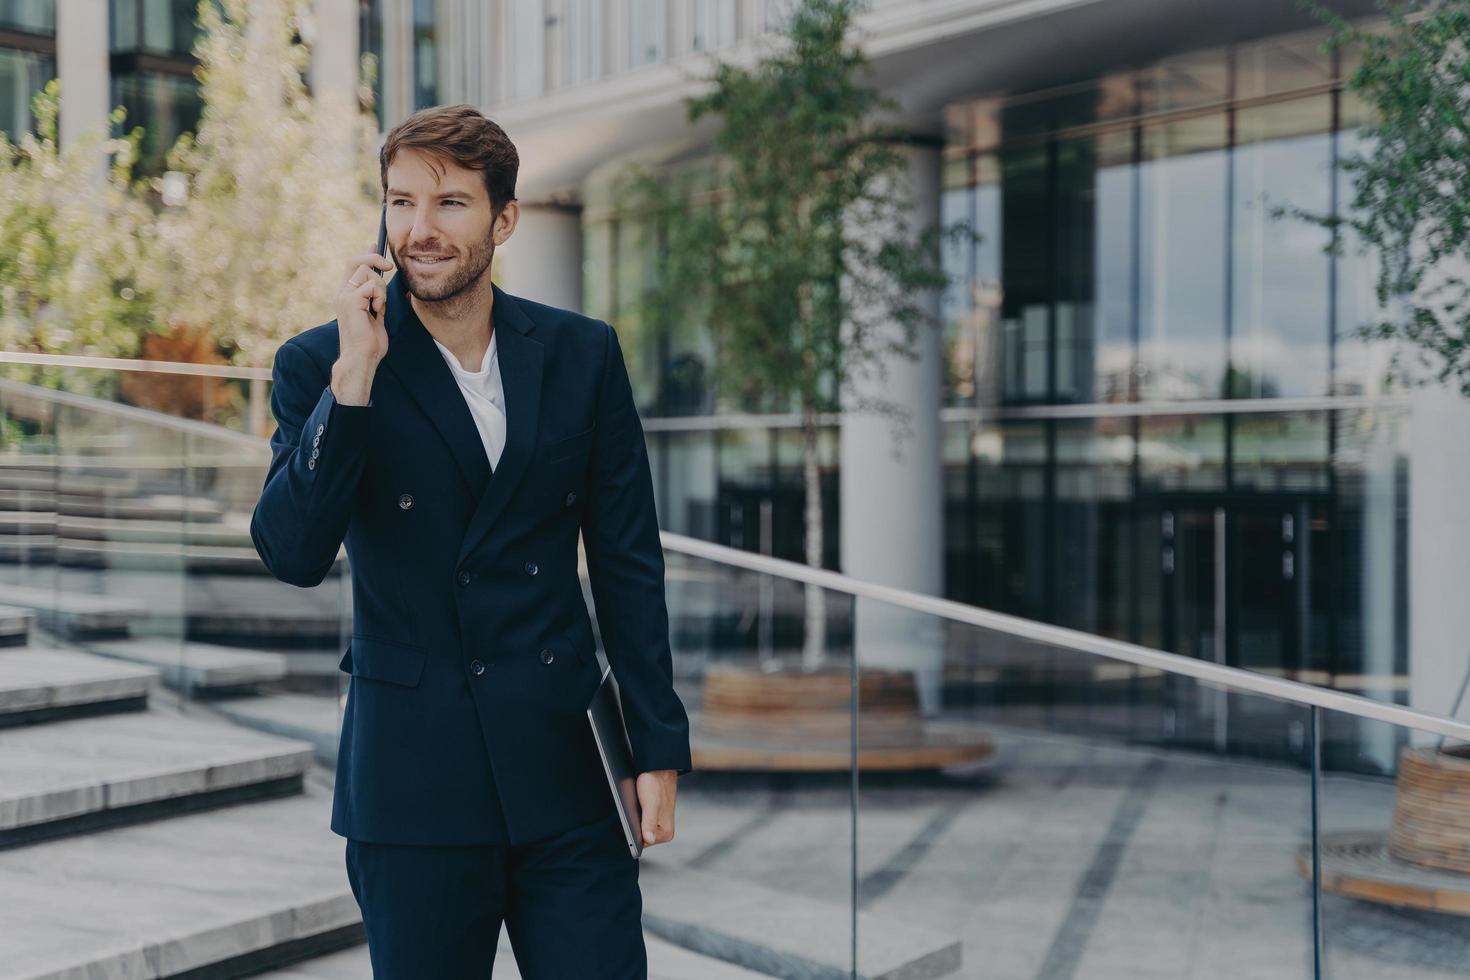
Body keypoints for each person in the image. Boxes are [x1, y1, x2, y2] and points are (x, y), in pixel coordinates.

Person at [248, 103, 692, 979]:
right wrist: (354, 382)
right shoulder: (324, 363)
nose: (420, 230)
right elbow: (292, 553)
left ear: (504, 218)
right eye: (401, 201)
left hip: (565, 769)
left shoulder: (580, 354)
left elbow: (628, 560)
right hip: (414, 783)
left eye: (450, 204)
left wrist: (658, 747)